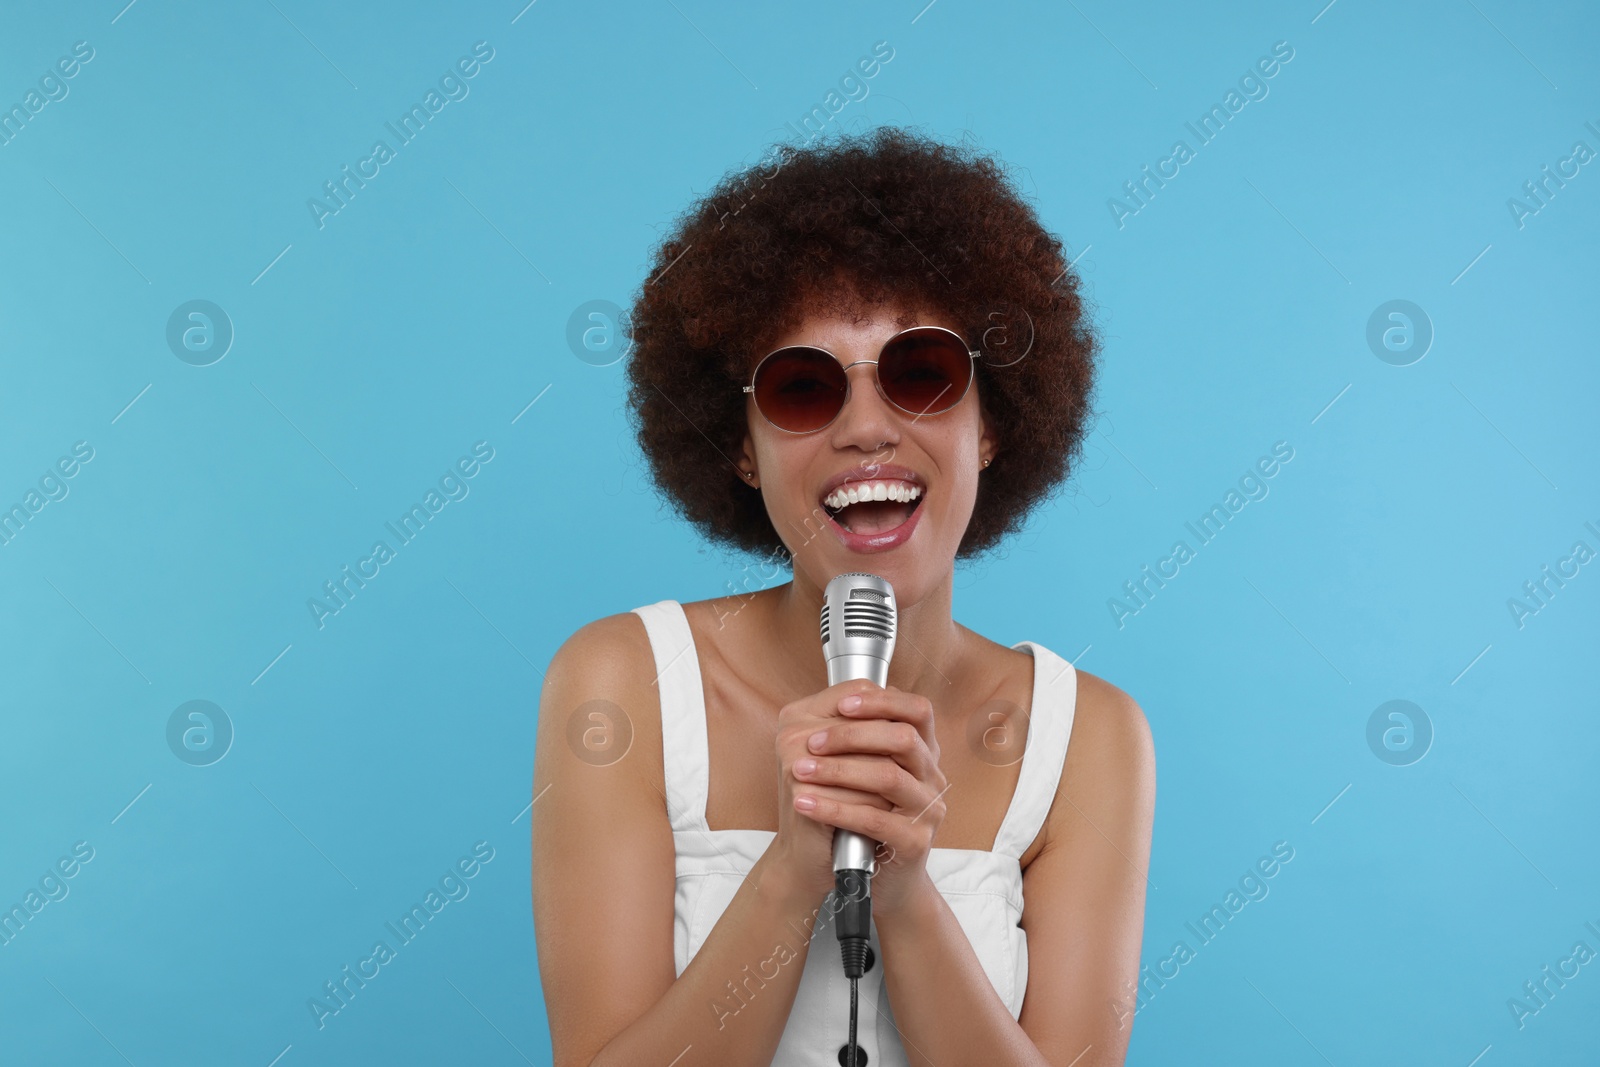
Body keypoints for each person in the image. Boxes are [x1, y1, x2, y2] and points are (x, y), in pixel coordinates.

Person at [533, 126, 1154, 1067]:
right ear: (740, 447)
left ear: (991, 425)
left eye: (921, 374)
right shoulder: (621, 682)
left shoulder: (1091, 737)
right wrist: (793, 867)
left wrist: (901, 892)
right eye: (801, 388)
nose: (867, 426)